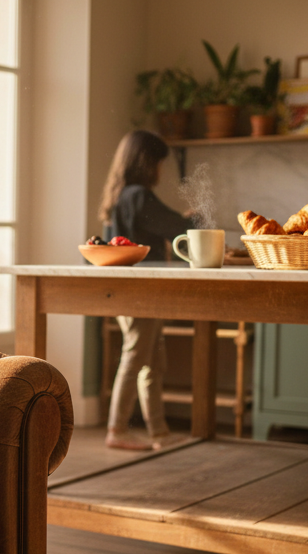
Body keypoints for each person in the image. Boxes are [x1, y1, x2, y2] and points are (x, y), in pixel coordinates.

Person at [98, 130, 195, 450]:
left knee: (152, 358)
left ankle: (159, 432)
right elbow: (176, 228)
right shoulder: (138, 195)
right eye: (158, 164)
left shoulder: (119, 195)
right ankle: (117, 429)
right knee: (138, 354)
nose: (160, 171)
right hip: (141, 290)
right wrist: (191, 220)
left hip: (125, 289)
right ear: (146, 163)